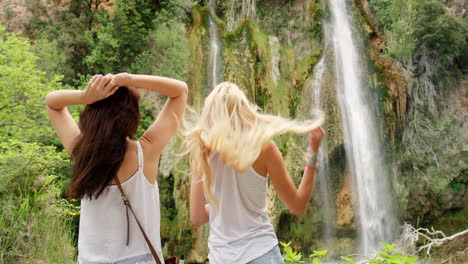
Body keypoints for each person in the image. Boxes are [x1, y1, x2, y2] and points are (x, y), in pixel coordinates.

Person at [46, 73, 188, 264]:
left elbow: (52, 103)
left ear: (90, 114)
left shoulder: (82, 154)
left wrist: (84, 96)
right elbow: (180, 91)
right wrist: (130, 80)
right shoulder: (145, 152)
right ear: (132, 116)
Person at [183, 82, 325, 264]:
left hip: (221, 258)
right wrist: (313, 154)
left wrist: (225, 205)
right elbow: (297, 206)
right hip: (261, 253)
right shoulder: (264, 148)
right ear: (244, 110)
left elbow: (197, 217)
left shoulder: (201, 153)